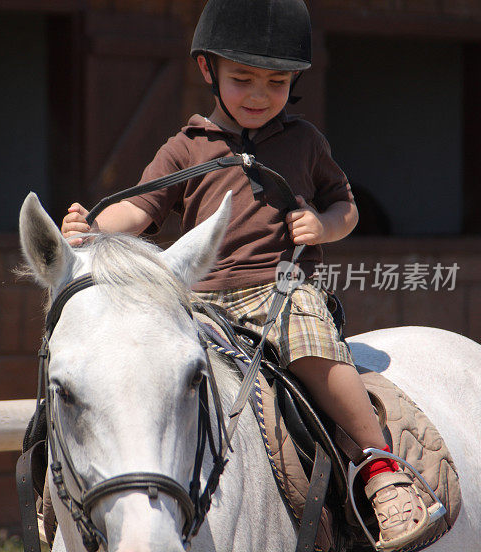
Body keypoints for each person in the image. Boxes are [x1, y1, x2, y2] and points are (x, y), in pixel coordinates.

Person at [60, 0, 428, 549]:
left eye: (276, 82)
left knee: (312, 347)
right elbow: (139, 211)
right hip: (202, 299)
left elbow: (346, 206)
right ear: (208, 70)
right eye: (244, 79)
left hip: (280, 293)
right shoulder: (186, 147)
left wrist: (323, 226)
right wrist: (91, 226)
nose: (259, 95)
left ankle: (381, 469)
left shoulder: (305, 141)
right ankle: (67, 496)